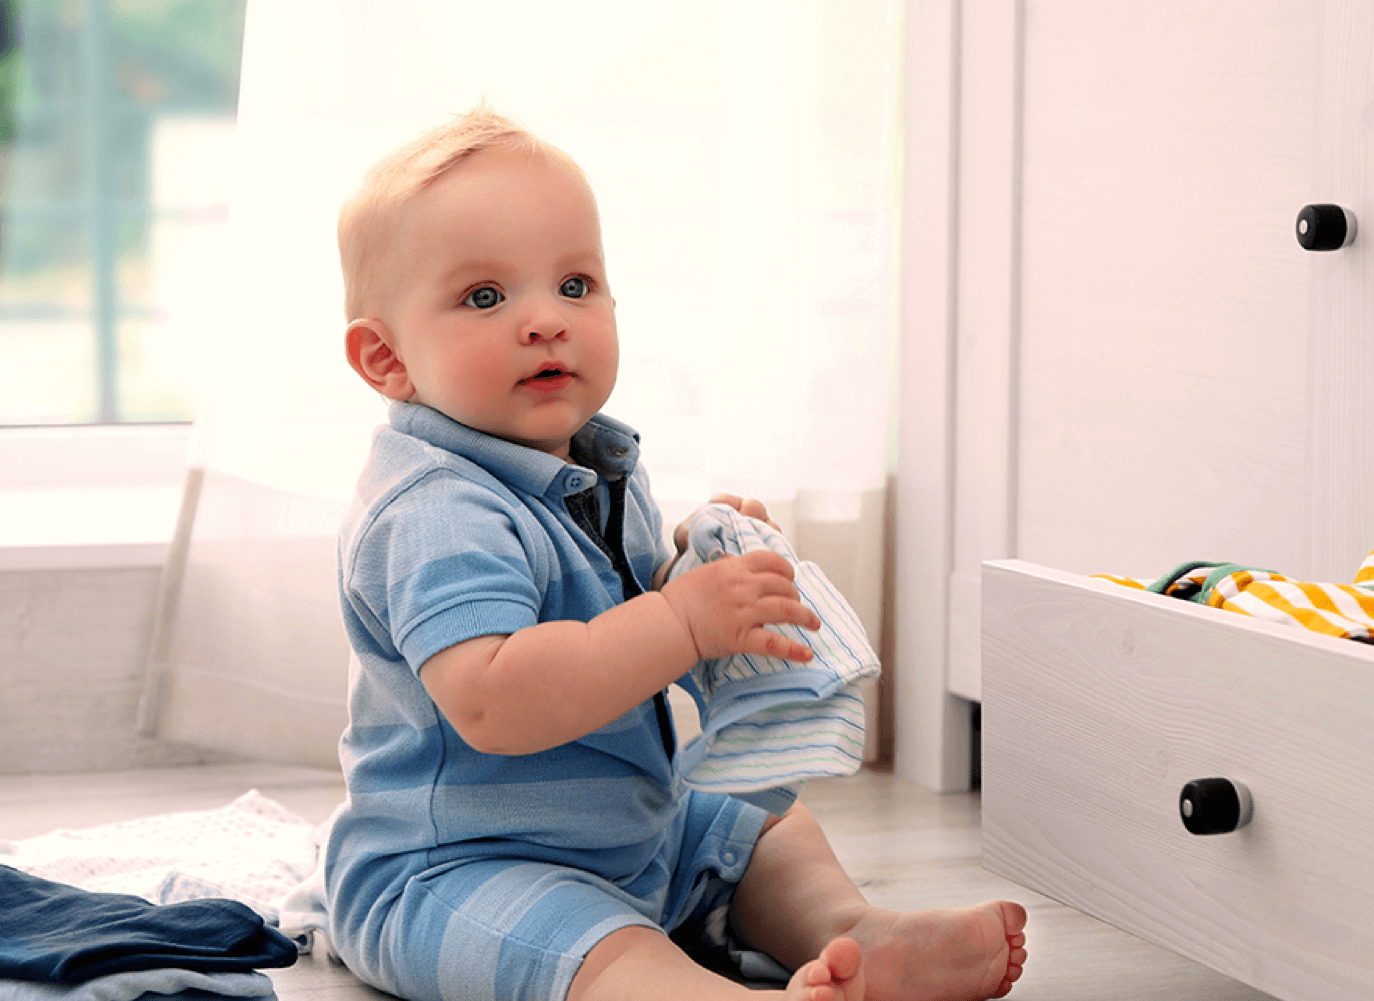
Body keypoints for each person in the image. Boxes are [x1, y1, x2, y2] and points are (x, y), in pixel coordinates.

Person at [328, 105, 1028, 1001]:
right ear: (387, 358)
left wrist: (695, 569)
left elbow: (617, 618)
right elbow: (495, 698)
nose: (545, 320)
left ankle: (855, 930)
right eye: (486, 297)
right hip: (459, 874)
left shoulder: (592, 459)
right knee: (608, 952)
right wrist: (679, 619)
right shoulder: (433, 509)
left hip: (634, 829)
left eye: (574, 285)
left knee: (761, 825)